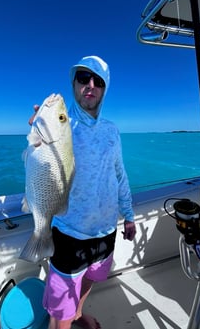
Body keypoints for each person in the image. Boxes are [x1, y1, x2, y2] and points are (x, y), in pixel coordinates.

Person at [30, 55, 136, 329]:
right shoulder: (65, 126)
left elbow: (119, 175)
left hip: (105, 232)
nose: (90, 85)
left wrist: (129, 215)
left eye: (98, 81)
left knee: (90, 278)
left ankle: (78, 315)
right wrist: (41, 125)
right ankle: (67, 319)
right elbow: (44, 151)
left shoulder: (112, 131)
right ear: (74, 83)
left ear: (104, 88)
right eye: (83, 78)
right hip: (69, 235)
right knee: (59, 312)